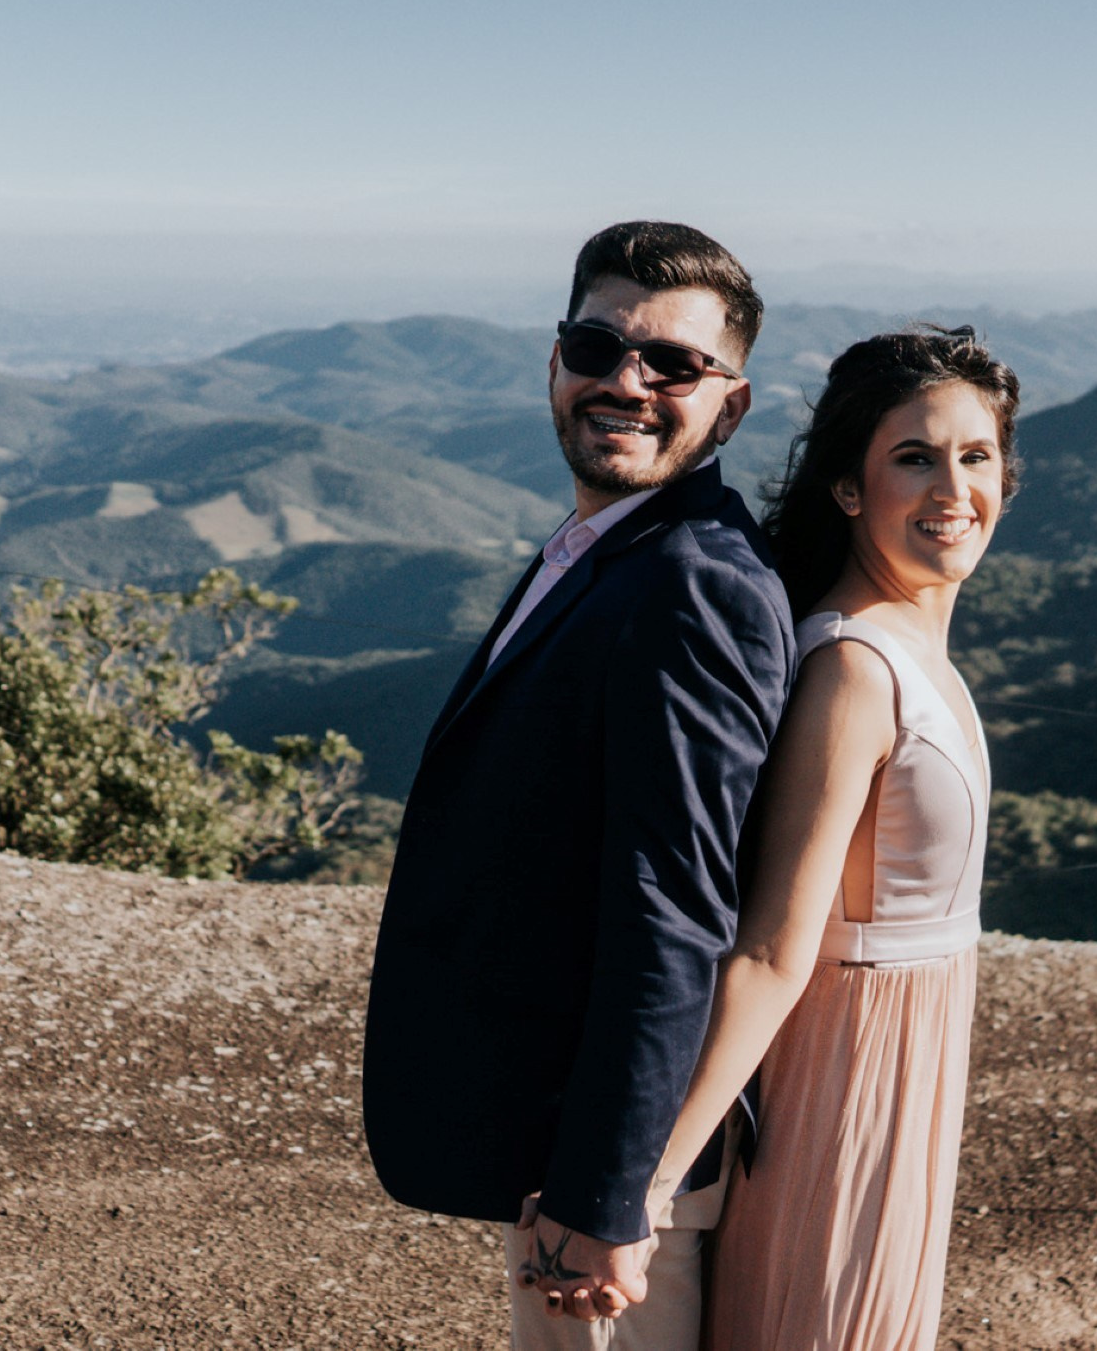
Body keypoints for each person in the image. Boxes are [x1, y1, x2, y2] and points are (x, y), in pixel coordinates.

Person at [362, 222, 795, 1351]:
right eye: (597, 345)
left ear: (731, 407)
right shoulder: (609, 544)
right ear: (553, 362)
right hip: (564, 1140)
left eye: (674, 365)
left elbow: (677, 912)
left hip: (606, 1164)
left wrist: (609, 1195)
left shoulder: (694, 583)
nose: (627, 382)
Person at [638, 326, 1020, 1351]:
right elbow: (770, 946)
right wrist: (648, 1183)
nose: (952, 485)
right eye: (913, 456)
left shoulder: (910, 647)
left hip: (911, 1072)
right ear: (847, 489)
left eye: (974, 455)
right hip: (844, 1079)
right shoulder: (853, 667)